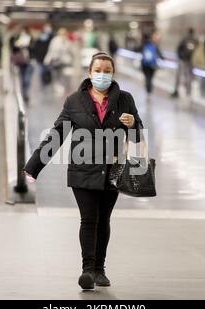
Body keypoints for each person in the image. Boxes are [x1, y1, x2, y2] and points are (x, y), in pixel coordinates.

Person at [23, 52, 144, 290]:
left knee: (103, 220)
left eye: (107, 71)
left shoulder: (125, 100)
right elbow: (57, 134)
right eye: (97, 70)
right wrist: (34, 166)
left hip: (113, 170)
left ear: (113, 73)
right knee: (89, 219)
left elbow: (138, 136)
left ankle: (100, 269)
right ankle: (88, 270)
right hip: (83, 169)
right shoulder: (74, 101)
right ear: (89, 73)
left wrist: (134, 125)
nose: (102, 75)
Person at [44, 28, 75, 97]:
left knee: (64, 75)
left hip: (65, 61)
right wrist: (47, 59)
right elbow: (51, 51)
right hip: (56, 61)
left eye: (64, 33)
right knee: (56, 75)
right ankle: (58, 88)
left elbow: (71, 52)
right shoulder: (55, 41)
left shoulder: (67, 41)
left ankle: (63, 88)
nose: (63, 35)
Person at [172, 28, 198, 98]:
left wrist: (180, 56)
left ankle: (176, 91)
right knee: (189, 76)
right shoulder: (195, 40)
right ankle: (188, 92)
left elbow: (178, 48)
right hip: (191, 61)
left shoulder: (184, 39)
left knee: (179, 75)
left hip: (182, 60)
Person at [11, 27, 34, 103]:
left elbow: (34, 49)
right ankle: (23, 93)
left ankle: (26, 93)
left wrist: (27, 45)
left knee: (27, 79)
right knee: (22, 79)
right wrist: (17, 45)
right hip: (21, 62)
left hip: (29, 62)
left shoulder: (31, 40)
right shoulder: (17, 40)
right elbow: (13, 50)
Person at [140, 31, 164, 97]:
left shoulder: (144, 44)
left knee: (147, 78)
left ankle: (148, 91)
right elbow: (160, 54)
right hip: (152, 65)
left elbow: (138, 50)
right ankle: (150, 91)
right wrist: (163, 58)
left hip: (144, 65)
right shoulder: (154, 45)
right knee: (150, 78)